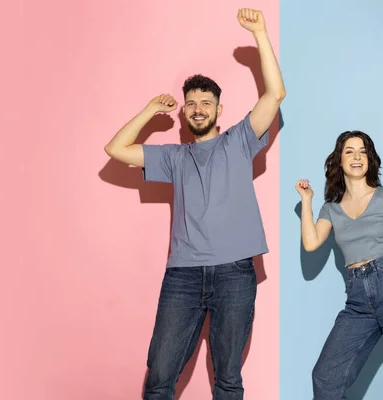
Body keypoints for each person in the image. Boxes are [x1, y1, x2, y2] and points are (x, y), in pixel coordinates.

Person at [104, 8, 285, 400]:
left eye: (206, 102)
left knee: (228, 380)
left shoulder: (238, 141)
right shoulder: (173, 157)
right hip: (183, 275)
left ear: (220, 110)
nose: (198, 108)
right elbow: (115, 149)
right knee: (159, 377)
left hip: (235, 273)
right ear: (184, 112)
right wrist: (151, 110)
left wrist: (260, 34)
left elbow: (275, 95)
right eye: (191, 103)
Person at [295, 131, 383, 400]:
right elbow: (311, 243)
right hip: (357, 298)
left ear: (370, 159)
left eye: (363, 151)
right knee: (326, 377)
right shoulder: (331, 208)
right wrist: (307, 201)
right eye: (349, 151)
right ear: (339, 161)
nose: (357, 156)